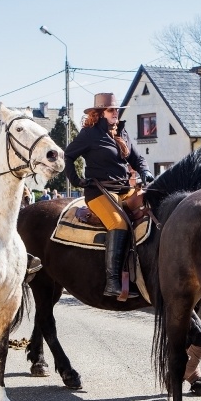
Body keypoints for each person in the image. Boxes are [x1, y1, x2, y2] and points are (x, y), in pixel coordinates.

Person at [64, 92, 154, 298]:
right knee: (119, 223)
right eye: (111, 110)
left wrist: (145, 172)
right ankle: (112, 282)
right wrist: (76, 180)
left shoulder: (122, 132)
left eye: (117, 110)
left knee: (151, 209)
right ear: (100, 113)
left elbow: (137, 158)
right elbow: (68, 156)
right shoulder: (89, 134)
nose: (116, 113)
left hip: (124, 189)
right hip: (99, 192)